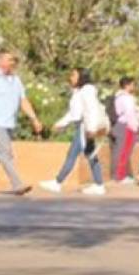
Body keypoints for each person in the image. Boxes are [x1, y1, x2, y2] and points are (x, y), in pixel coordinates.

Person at [0, 50, 44, 195]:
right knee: (6, 152)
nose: (13, 63)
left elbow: (23, 101)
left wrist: (34, 118)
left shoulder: (15, 80)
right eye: (10, 59)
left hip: (9, 123)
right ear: (0, 61)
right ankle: (17, 184)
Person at [39, 68, 108, 196]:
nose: (71, 77)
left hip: (85, 127)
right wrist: (60, 124)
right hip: (83, 127)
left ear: (81, 76)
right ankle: (97, 184)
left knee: (86, 155)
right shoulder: (80, 91)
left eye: (74, 75)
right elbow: (74, 113)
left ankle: (58, 182)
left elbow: (90, 110)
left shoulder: (87, 91)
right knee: (86, 154)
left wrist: (91, 129)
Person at [110, 76, 139, 185]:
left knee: (121, 151)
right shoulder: (127, 98)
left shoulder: (119, 97)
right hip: (127, 126)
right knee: (124, 151)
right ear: (127, 85)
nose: (134, 86)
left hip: (121, 125)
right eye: (132, 84)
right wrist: (135, 127)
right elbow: (130, 114)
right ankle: (120, 176)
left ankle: (120, 175)